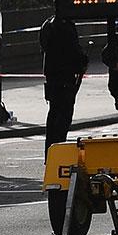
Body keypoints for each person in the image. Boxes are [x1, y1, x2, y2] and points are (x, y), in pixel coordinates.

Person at [38, 12, 89, 148]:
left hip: (52, 75)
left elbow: (43, 47)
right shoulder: (66, 27)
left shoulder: (47, 25)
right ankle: (59, 146)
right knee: (64, 114)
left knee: (53, 113)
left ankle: (50, 150)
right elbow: (73, 50)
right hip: (66, 76)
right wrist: (83, 62)